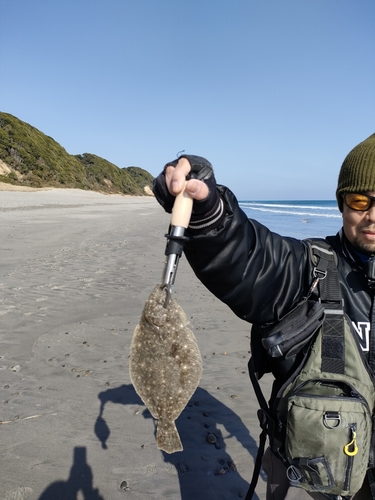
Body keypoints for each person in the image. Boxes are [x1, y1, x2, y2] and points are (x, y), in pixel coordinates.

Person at [152, 133, 375, 500]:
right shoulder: (312, 270)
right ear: (342, 203)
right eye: (360, 200)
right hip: (324, 468)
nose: (371, 215)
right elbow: (250, 260)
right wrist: (210, 214)